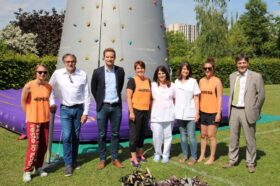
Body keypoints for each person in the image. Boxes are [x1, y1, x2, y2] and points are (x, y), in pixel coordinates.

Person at [49, 53, 90, 176]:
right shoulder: (57, 74)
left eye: (72, 61)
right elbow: (49, 88)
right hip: (65, 109)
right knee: (67, 136)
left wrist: (85, 112)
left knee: (75, 136)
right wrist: (51, 102)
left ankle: (74, 160)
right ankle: (68, 164)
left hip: (78, 109)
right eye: (67, 61)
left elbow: (86, 94)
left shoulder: (82, 74)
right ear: (64, 62)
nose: (70, 63)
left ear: (75, 62)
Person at [223, 54, 265, 173]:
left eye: (244, 63)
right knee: (233, 138)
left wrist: (255, 109)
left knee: (250, 139)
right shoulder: (232, 76)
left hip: (248, 111)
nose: (242, 65)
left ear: (248, 63)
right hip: (234, 110)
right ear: (236, 64)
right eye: (239, 63)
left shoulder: (256, 76)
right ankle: (232, 160)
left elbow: (261, 96)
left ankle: (250, 162)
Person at [91, 48, 125, 169]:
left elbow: (119, 87)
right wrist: (100, 101)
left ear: (114, 58)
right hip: (103, 107)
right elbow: (93, 89)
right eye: (107, 57)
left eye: (111, 57)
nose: (109, 59)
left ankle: (115, 158)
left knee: (115, 134)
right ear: (104, 58)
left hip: (116, 107)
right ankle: (102, 159)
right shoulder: (97, 72)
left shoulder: (120, 71)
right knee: (101, 134)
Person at [21, 64, 52, 183]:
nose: (42, 74)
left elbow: (46, 101)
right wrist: (28, 116)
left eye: (44, 72)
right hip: (33, 120)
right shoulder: (29, 86)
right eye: (40, 72)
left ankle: (38, 167)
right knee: (33, 146)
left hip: (45, 120)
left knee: (43, 146)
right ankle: (27, 170)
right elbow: (23, 101)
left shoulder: (49, 87)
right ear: (36, 73)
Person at [174, 62, 200, 166]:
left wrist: (197, 113)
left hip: (190, 113)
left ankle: (194, 157)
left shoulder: (193, 81)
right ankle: (185, 155)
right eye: (184, 69)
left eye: (187, 69)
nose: (186, 71)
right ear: (180, 70)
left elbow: (196, 98)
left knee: (192, 136)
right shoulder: (176, 82)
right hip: (180, 114)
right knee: (183, 136)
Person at [198, 58, 223, 165]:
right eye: (205, 68)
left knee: (211, 136)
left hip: (213, 113)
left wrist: (218, 113)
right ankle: (202, 155)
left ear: (213, 69)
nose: (207, 70)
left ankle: (212, 158)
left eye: (209, 68)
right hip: (203, 112)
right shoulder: (201, 81)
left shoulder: (217, 81)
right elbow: (199, 97)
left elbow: (220, 98)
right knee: (203, 135)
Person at [126, 61, 151, 167]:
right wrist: (131, 112)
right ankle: (133, 158)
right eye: (137, 68)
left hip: (145, 111)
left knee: (142, 134)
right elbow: (128, 97)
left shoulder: (148, 80)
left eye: (141, 68)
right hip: (135, 111)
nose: (140, 70)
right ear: (135, 70)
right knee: (134, 136)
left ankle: (140, 154)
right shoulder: (132, 80)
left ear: (144, 69)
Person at [150, 66, 175, 164]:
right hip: (156, 116)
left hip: (169, 115)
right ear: (156, 75)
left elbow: (175, 98)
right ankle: (157, 154)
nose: (161, 75)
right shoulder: (153, 85)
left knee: (168, 136)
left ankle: (166, 155)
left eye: (163, 73)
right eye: (159, 73)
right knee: (156, 136)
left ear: (166, 74)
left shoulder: (172, 85)